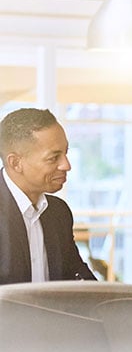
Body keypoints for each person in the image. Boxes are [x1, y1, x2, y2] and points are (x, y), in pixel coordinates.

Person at [0, 107, 96, 284]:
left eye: (65, 153)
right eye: (54, 158)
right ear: (15, 163)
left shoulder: (58, 212)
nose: (66, 165)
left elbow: (78, 276)